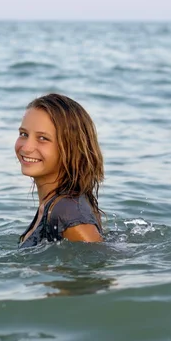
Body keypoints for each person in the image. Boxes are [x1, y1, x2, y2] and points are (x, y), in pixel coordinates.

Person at [16, 93, 104, 248]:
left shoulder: (68, 212)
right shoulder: (54, 206)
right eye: (24, 134)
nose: (26, 147)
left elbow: (98, 265)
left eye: (43, 138)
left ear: (70, 148)